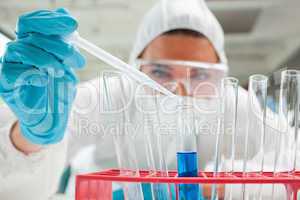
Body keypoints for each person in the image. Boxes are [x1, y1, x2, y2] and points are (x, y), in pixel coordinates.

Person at [0, 0, 291, 199]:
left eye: (200, 75)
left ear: (221, 72)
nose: (179, 91)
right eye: (162, 71)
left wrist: (210, 185)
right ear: (135, 66)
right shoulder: (112, 94)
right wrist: (29, 136)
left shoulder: (231, 102)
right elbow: (18, 190)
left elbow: (290, 160)